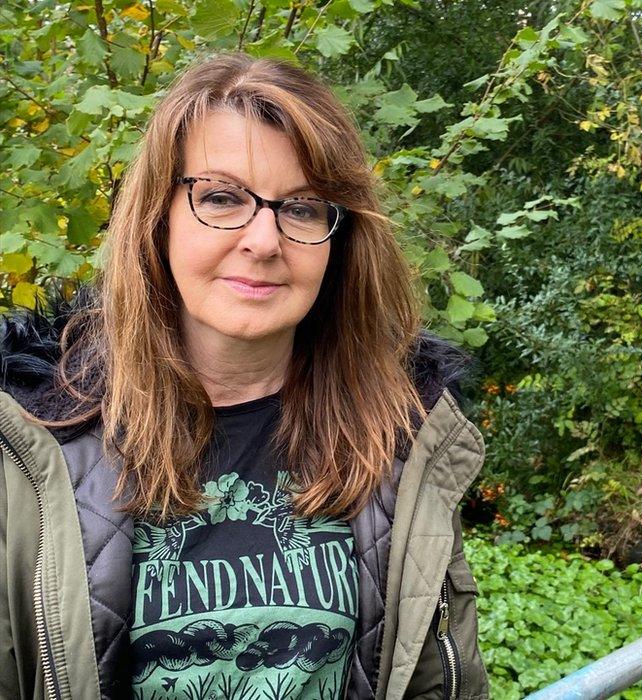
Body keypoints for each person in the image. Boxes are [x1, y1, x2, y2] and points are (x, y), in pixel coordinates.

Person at [0, 53, 489, 699]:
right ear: (158, 217)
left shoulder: (404, 436)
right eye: (222, 198)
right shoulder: (32, 451)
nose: (264, 240)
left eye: (304, 208)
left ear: (339, 240)